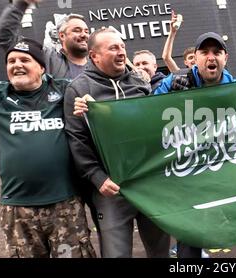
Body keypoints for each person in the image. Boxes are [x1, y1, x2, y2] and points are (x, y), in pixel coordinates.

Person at [154, 32, 236, 258]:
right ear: (194, 58)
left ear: (225, 58)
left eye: (217, 52)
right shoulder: (174, 82)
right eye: (204, 52)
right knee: (189, 244)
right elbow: (146, 111)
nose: (211, 57)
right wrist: (167, 97)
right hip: (192, 178)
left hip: (231, 173)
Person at [64, 28, 170, 258]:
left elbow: (153, 128)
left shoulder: (139, 83)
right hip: (110, 190)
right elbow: (77, 139)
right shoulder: (79, 89)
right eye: (113, 48)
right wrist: (97, 177)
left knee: (160, 251)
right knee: (116, 254)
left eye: (122, 46)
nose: (122, 52)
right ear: (94, 56)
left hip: (148, 184)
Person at [0, 38, 95, 258]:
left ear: (41, 67)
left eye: (24, 59)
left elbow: (94, 92)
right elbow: (1, 35)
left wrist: (85, 102)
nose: (16, 65)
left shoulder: (64, 89)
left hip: (65, 203)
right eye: (11, 61)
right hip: (17, 207)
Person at [0, 0, 89, 80]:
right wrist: (22, 3)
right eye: (77, 30)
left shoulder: (98, 61)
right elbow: (4, 36)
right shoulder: (47, 57)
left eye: (86, 31)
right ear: (62, 36)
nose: (84, 35)